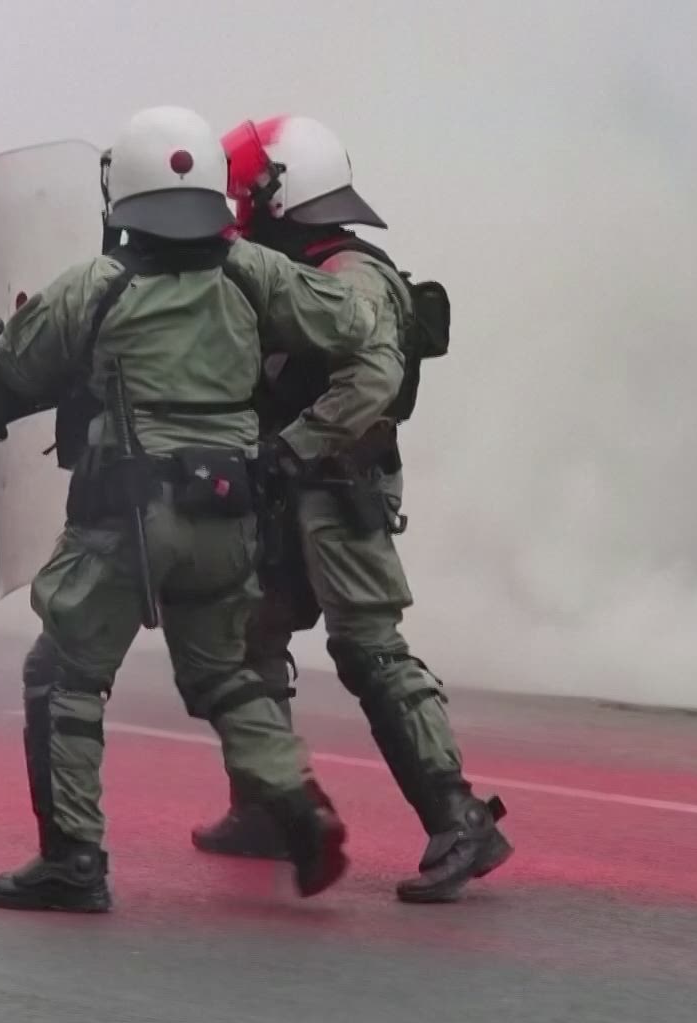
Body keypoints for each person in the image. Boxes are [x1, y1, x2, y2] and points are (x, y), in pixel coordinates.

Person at [0, 105, 407, 914]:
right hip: (229, 515)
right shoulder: (254, 272)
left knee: (64, 673)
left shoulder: (98, 285)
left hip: (126, 518)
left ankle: (73, 861)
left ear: (124, 189)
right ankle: (299, 805)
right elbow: (355, 325)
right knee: (222, 672)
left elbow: (16, 371)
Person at [187, 115, 513, 904]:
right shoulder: (296, 266)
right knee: (251, 631)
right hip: (290, 484)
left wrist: (292, 446)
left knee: (369, 648)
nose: (239, 206)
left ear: (283, 191)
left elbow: (371, 379)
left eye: (247, 191)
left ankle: (460, 818)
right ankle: (267, 808)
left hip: (338, 486)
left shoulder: (350, 272)